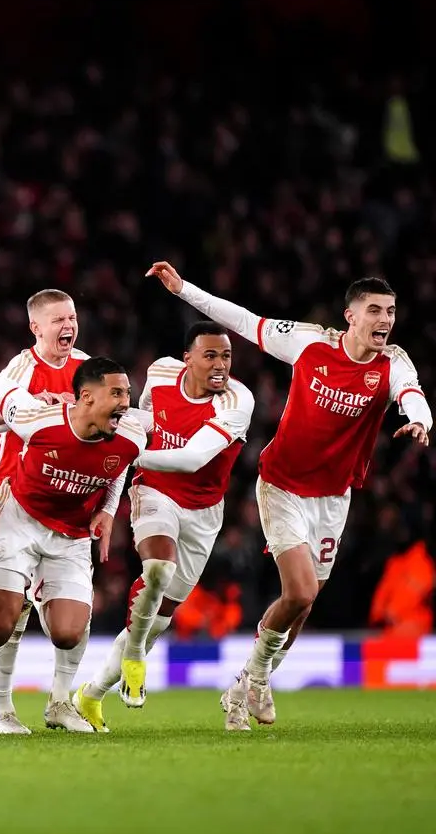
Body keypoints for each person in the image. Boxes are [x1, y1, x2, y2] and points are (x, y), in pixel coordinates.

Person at [146, 260, 431, 730]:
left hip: (334, 497)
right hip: (281, 484)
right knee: (298, 590)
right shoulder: (311, 342)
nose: (385, 320)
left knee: (304, 602)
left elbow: (411, 392)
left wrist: (420, 420)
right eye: (375, 310)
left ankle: (243, 686)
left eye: (391, 311)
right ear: (351, 316)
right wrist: (184, 290)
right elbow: (242, 319)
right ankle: (256, 677)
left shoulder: (391, 363)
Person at [0, 357, 145, 738]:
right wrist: (31, 395)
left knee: (68, 632)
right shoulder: (40, 420)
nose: (126, 401)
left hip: (71, 536)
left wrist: (108, 510)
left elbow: (119, 468)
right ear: (86, 397)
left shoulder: (132, 435)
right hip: (17, 523)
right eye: (116, 393)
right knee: (0, 624)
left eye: (128, 393)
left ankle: (59, 705)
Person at [72, 323, 254, 732]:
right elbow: (144, 419)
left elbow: (191, 459)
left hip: (204, 511)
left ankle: (91, 694)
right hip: (155, 493)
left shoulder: (237, 401)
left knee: (158, 616)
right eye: (210, 356)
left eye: (226, 356)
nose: (220, 365)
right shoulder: (159, 374)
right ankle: (134, 654)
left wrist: (128, 455)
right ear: (187, 358)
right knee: (158, 569)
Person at [0, 288, 90, 734]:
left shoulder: (87, 370)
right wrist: (43, 407)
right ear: (35, 327)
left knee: (70, 617)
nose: (68, 327)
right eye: (57, 320)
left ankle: (61, 702)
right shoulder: (24, 366)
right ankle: (2, 710)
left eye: (72, 318)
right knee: (10, 613)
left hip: (65, 506)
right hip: (8, 501)